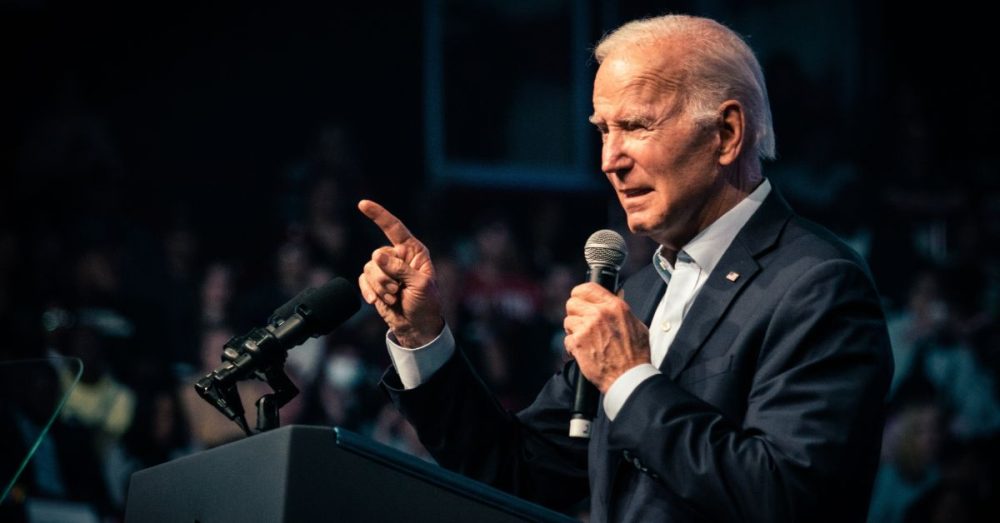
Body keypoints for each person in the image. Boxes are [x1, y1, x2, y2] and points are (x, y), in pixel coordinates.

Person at [357, 14, 893, 522]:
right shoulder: (637, 296)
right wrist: (422, 335)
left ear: (726, 134)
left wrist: (628, 379)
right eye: (603, 130)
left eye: (635, 126)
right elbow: (518, 473)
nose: (609, 159)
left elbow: (787, 498)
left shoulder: (817, 284)